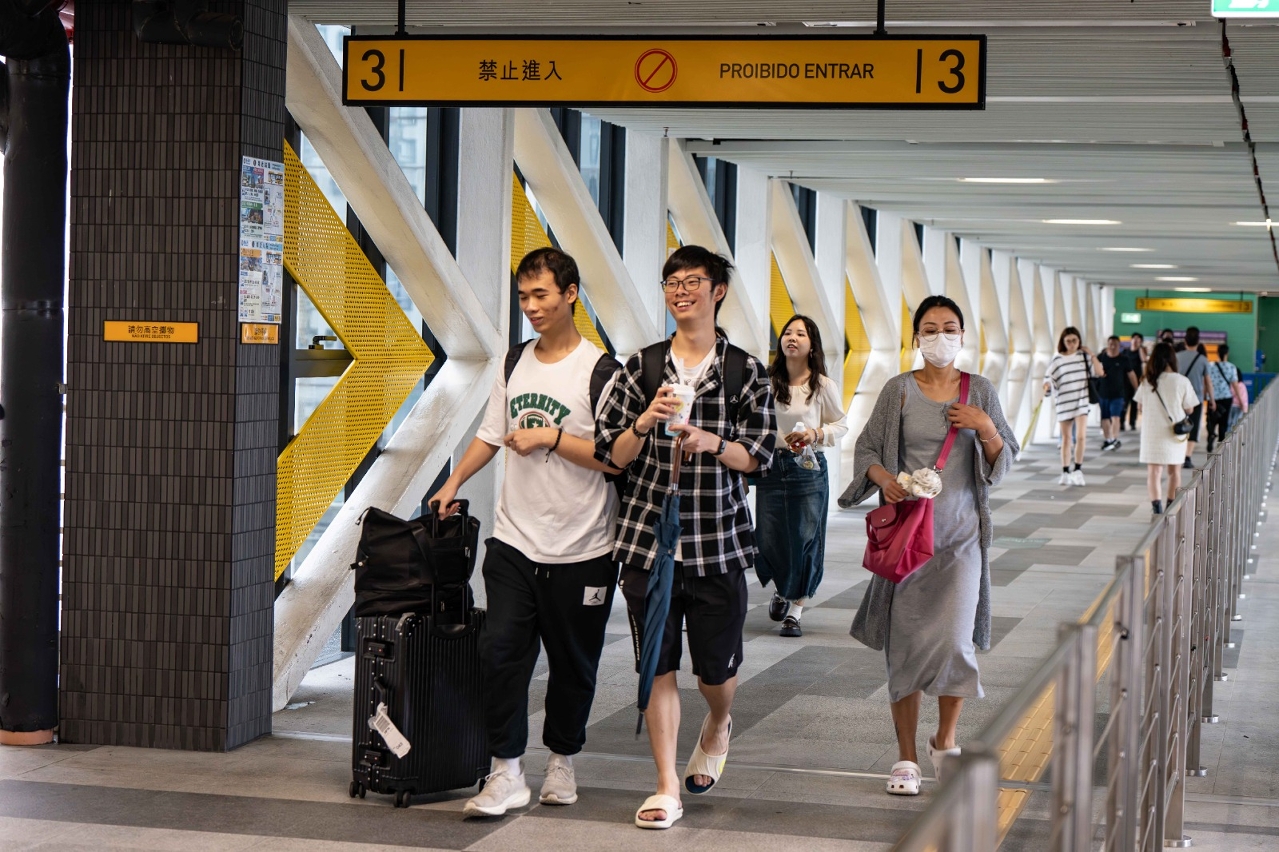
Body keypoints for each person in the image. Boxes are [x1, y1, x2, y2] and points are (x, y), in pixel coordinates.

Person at [428, 247, 622, 819]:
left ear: (571, 294)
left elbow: (616, 459)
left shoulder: (602, 371)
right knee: (500, 653)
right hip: (514, 540)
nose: (531, 307)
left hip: (584, 546)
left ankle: (562, 759)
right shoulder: (513, 362)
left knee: (573, 664)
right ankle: (506, 770)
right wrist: (453, 480)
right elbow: (491, 433)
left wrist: (550, 438)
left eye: (541, 295)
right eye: (523, 297)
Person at [595, 245, 776, 830]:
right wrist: (644, 421)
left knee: (714, 674)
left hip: (718, 540)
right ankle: (666, 785)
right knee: (658, 664)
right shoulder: (642, 366)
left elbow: (759, 457)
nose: (680, 291)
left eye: (693, 281)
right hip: (648, 543)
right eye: (672, 282)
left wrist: (712, 443)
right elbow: (612, 454)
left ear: (717, 291)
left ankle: (720, 722)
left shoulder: (745, 371)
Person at [837, 295, 1018, 796]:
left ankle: (946, 739)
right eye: (931, 328)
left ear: (962, 335)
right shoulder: (898, 390)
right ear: (916, 336)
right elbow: (867, 448)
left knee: (956, 642)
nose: (941, 337)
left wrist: (985, 428)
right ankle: (907, 756)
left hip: (961, 539)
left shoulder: (980, 391)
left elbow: (1005, 457)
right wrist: (884, 480)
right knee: (907, 643)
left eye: (950, 327)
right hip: (908, 540)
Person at [755, 315, 848, 639]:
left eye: (800, 334)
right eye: (787, 332)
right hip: (771, 466)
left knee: (805, 537)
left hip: (807, 468)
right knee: (769, 537)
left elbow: (841, 424)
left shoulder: (822, 385)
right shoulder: (767, 381)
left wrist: (815, 433)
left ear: (812, 345)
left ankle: (795, 611)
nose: (792, 337)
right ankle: (782, 588)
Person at [1134, 342, 1199, 515]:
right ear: (1172, 359)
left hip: (1152, 432)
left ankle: (1156, 509)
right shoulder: (1182, 381)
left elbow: (1140, 407)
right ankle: (1171, 506)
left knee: (1154, 472)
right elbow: (1190, 409)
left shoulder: (1147, 381)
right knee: (1174, 472)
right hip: (1174, 433)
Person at [1043, 327, 1101, 486]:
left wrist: (1091, 354)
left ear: (1079, 340)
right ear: (1063, 342)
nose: (1071, 344)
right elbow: (1048, 379)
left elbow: (1100, 371)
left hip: (1081, 402)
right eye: (1068, 341)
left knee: (1081, 437)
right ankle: (1065, 471)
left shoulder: (1083, 357)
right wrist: (1047, 386)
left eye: (1074, 340)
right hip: (1064, 403)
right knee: (1066, 439)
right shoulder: (1057, 360)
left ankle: (1078, 470)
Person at [1175, 327, 1213, 469]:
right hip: (1196, 399)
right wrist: (1212, 400)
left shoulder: (1176, 357)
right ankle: (1187, 457)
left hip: (1177, 398)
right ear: (1198, 342)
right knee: (1193, 426)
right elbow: (1208, 382)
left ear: (1185, 341)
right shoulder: (1203, 360)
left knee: (1177, 424)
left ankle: (1177, 454)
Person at [1096, 335, 1135, 452]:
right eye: (1110, 344)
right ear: (1107, 345)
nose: (1113, 347)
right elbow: (1094, 371)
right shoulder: (1101, 357)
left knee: (1115, 417)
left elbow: (1131, 374)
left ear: (1119, 346)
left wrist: (1137, 389)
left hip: (1118, 394)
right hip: (1103, 393)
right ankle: (1108, 439)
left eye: (1115, 344)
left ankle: (1114, 439)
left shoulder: (1124, 359)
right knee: (1105, 418)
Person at [1206, 343, 1243, 453]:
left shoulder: (1210, 366)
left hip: (1212, 397)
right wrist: (1241, 400)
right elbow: (1235, 385)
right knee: (1223, 422)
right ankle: (1220, 445)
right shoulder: (1231, 367)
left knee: (1211, 420)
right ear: (1227, 353)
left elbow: (1207, 382)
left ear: (1217, 353)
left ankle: (1211, 435)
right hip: (1226, 398)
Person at [1121, 332, 1146, 432]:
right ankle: (1121, 422)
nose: (1135, 341)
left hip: (1137, 381)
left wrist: (1140, 349)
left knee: (1135, 403)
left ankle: (1132, 423)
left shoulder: (1141, 351)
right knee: (1124, 402)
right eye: (1134, 338)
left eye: (1138, 339)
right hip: (1125, 381)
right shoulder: (1125, 352)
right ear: (1131, 340)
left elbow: (1144, 361)